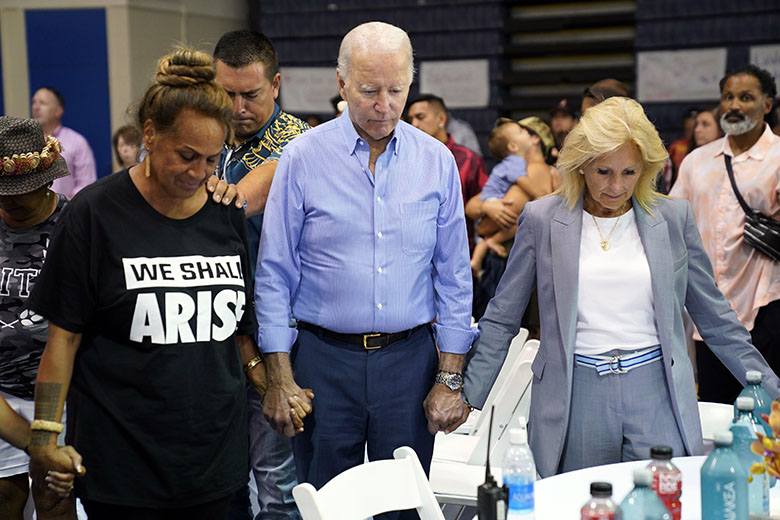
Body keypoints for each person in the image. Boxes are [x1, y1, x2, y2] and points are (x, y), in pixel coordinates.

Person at [25, 47, 295, 519]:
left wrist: (275, 384)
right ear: (149, 135)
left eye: (213, 160)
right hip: (125, 468)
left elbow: (237, 333)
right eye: (186, 156)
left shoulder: (224, 212)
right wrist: (45, 436)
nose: (198, 173)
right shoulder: (93, 214)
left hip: (218, 464)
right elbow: (63, 339)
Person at [460, 96, 780, 478]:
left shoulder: (672, 217)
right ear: (581, 166)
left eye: (630, 172)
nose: (616, 186)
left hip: (656, 391)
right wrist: (467, 396)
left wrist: (773, 393)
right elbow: (502, 315)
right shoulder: (543, 219)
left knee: (663, 505)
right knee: (579, 505)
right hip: (575, 394)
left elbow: (716, 317)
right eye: (603, 172)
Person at [256, 22, 475, 519]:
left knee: (405, 503)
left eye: (396, 91)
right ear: (341, 84)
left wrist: (451, 377)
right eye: (369, 90)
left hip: (410, 362)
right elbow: (274, 273)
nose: (384, 105)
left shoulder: (436, 161)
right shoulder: (302, 158)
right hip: (322, 362)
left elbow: (455, 277)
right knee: (326, 503)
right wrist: (279, 376)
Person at [212, 29, 310, 520]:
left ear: (276, 85)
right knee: (221, 483)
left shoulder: (295, 142)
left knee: (276, 487)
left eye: (249, 94)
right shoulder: (211, 139)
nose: (236, 106)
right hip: (213, 336)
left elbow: (233, 205)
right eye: (225, 93)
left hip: (274, 334)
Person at [671, 64, 780, 405]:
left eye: (746, 97)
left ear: (767, 105)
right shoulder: (696, 161)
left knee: (765, 408)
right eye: (728, 97)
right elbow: (673, 220)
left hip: (766, 301)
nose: (734, 105)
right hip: (709, 308)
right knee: (716, 408)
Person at [0, 116, 82, 519]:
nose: (6, 200)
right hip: (2, 395)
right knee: (5, 497)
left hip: (68, 395)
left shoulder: (79, 223)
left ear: (46, 180)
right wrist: (34, 441)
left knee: (55, 502)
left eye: (16, 191)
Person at [466, 117, 554, 321]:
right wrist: (487, 205)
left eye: (522, 131)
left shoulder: (535, 170)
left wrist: (486, 227)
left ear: (534, 139)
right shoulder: (513, 168)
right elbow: (471, 206)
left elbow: (492, 223)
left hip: (510, 256)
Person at [407, 93, 488, 253]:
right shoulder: (405, 157)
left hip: (460, 250)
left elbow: (485, 201)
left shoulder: (468, 159)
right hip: (414, 251)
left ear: (441, 119)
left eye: (420, 117)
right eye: (411, 120)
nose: (414, 124)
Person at [31, 87, 97, 198]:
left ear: (58, 111)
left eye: (42, 103)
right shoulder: (25, 142)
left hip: (67, 211)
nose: (36, 107)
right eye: (34, 102)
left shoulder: (77, 142)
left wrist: (67, 207)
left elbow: (87, 184)